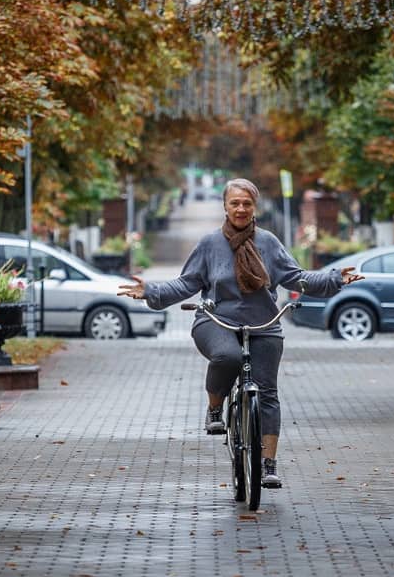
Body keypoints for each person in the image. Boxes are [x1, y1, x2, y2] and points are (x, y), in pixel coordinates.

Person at [118, 178, 363, 489]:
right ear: (225, 206)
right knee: (228, 356)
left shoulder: (269, 244)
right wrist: (151, 290)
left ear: (254, 207)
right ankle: (214, 408)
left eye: (247, 203)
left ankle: (268, 463)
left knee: (267, 392)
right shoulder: (209, 245)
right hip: (217, 322)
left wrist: (333, 279)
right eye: (235, 202)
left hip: (264, 324)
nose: (241, 208)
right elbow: (186, 283)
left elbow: (296, 278)